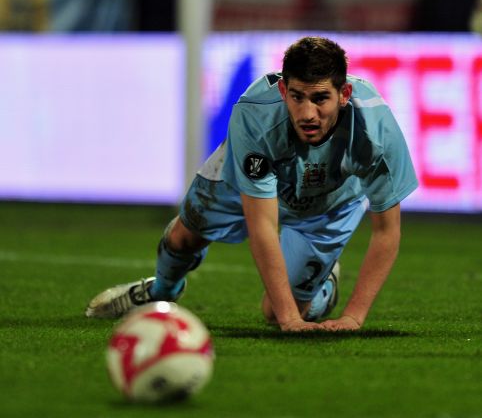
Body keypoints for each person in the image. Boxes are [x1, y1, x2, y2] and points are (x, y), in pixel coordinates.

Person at [86, 36, 418, 332]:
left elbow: (386, 231)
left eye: (320, 99)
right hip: (243, 182)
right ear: (283, 90)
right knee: (183, 237)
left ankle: (323, 284)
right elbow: (261, 225)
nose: (307, 114)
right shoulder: (254, 114)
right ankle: (160, 294)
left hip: (330, 203)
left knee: (275, 312)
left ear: (344, 93)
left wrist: (352, 317)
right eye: (298, 97)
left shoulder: (376, 131)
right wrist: (293, 322)